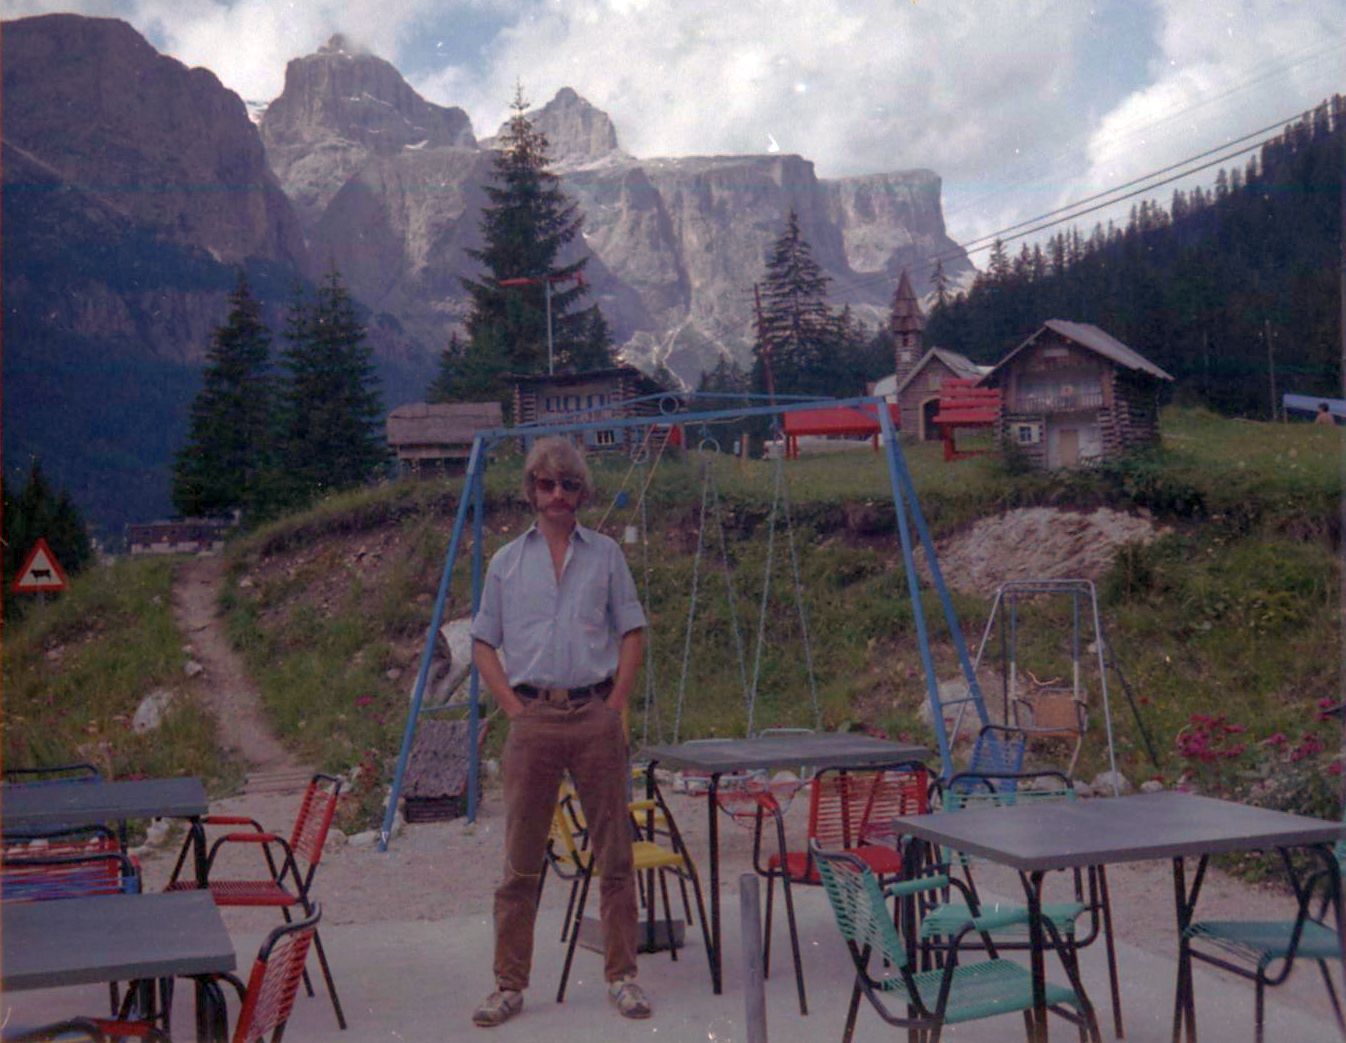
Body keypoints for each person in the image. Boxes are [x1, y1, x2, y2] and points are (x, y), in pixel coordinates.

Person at [470, 437, 649, 1028]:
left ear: (581, 493)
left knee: (615, 855)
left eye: (568, 485)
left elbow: (632, 631)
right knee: (521, 862)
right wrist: (514, 710)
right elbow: (482, 643)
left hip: (594, 715)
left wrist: (614, 704)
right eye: (546, 484)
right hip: (532, 719)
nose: (557, 495)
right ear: (531, 491)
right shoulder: (505, 563)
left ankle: (623, 978)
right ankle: (509, 986)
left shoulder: (605, 557)